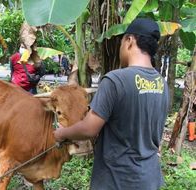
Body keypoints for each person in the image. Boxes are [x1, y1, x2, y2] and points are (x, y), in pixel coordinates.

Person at [54, 18, 169, 190]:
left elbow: (89, 128)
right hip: (149, 179)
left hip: (116, 180)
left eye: (122, 41)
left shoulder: (115, 80)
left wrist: (62, 133)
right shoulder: (162, 84)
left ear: (129, 41)